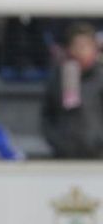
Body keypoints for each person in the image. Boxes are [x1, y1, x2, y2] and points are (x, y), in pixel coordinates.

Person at [41, 23, 103, 158]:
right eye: (77, 46)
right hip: (64, 156)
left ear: (94, 49)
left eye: (85, 46)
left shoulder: (101, 78)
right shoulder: (58, 77)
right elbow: (47, 115)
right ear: (70, 49)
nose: (80, 51)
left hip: (97, 157)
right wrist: (57, 142)